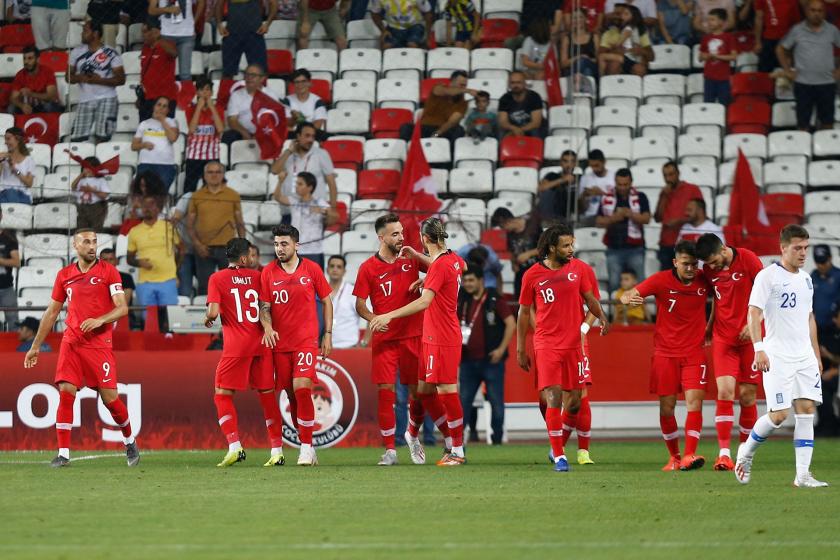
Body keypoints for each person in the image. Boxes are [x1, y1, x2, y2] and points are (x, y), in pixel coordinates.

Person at [23, 229, 138, 468]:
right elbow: (52, 312)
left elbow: (122, 308)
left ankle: (129, 440)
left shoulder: (109, 272)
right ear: (75, 246)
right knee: (66, 392)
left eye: (95, 241)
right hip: (72, 342)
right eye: (86, 242)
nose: (92, 246)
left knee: (110, 399)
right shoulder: (65, 275)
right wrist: (35, 346)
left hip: (99, 344)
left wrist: (100, 320)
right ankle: (63, 453)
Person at [354, 214, 454, 465]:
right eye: (395, 234)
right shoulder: (367, 267)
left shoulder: (410, 260)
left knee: (419, 393)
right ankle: (390, 450)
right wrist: (375, 318)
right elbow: (359, 304)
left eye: (402, 232)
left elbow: (444, 268)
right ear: (382, 237)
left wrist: (420, 263)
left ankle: (421, 438)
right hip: (385, 340)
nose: (401, 237)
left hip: (414, 336)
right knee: (385, 392)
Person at [736, 225, 829, 488]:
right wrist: (758, 348)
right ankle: (746, 453)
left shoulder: (806, 279)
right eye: (798, 248)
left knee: (806, 410)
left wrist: (816, 353)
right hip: (778, 356)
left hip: (804, 356)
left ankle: (802, 475)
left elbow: (809, 318)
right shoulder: (768, 276)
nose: (803, 254)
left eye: (806, 248)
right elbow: (753, 313)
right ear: (783, 248)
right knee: (778, 415)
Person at [517, 225, 610, 472]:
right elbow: (524, 312)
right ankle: (560, 456)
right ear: (552, 248)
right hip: (546, 343)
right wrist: (519, 348)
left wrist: (601, 317)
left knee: (576, 401)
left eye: (572, 244)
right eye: (566, 245)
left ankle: (557, 445)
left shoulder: (579, 269)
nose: (571, 250)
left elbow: (590, 299)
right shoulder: (532, 275)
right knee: (553, 396)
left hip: (574, 344)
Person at [620, 240, 710, 471]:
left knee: (694, 402)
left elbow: (725, 294)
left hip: (694, 352)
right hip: (665, 353)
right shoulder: (660, 280)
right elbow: (627, 296)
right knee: (666, 407)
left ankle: (690, 454)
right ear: (675, 262)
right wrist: (630, 298)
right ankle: (675, 457)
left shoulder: (704, 278)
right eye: (685, 264)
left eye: (694, 264)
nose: (690, 269)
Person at [204, 237, 286, 467]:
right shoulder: (259, 277)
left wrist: (208, 318)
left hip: (236, 347)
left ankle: (234, 446)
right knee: (267, 395)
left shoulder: (217, 278)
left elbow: (212, 312)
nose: (251, 259)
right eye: (250, 255)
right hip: (262, 343)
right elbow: (267, 306)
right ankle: (277, 451)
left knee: (222, 393)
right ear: (243, 258)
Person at [260, 224, 334, 466]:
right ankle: (309, 448)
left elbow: (327, 301)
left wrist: (328, 333)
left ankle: (305, 447)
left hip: (306, 341)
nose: (279, 248)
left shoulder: (311, 269)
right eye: (276, 244)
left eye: (284, 244)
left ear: (296, 245)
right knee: (292, 395)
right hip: (281, 345)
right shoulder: (268, 272)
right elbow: (264, 307)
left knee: (302, 388)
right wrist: (268, 327)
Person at [695, 233, 765, 470]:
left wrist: (755, 322)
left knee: (747, 396)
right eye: (708, 264)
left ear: (724, 248)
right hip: (724, 337)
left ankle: (745, 454)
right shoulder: (708, 269)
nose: (711, 267)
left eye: (714, 261)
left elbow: (768, 294)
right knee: (724, 392)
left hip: (750, 338)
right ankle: (724, 453)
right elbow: (717, 297)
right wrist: (709, 325)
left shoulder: (749, 259)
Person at [458, 266, 516, 445]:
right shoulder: (462, 299)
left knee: (496, 403)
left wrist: (501, 349)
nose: (468, 284)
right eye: (465, 281)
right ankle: (457, 444)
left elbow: (511, 324)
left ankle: (497, 440)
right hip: (467, 361)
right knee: (463, 404)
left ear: (481, 280)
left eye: (471, 280)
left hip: (491, 360)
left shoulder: (493, 298)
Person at [777, 1, 840, 131]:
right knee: (803, 124)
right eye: (813, 10)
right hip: (803, 84)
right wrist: (787, 71)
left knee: (827, 123)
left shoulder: (832, 30)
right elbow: (780, 49)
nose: (816, 14)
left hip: (827, 84)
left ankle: (826, 150)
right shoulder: (797, 30)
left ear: (824, 12)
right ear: (806, 11)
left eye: (820, 11)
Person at [186, 162, 247, 295]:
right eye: (210, 172)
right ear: (204, 176)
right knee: (205, 287)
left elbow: (240, 223)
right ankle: (207, 315)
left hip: (228, 249)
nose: (214, 175)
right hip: (203, 248)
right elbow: (189, 225)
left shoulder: (233, 195)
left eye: (217, 172)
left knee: (231, 286)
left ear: (223, 175)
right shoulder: (196, 196)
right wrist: (198, 245)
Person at [68, 20, 125, 144]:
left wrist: (99, 80)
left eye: (85, 31)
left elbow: (121, 80)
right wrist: (81, 78)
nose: (81, 34)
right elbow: (68, 77)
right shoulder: (76, 52)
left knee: (103, 138)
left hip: (107, 99)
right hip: (85, 100)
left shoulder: (111, 53)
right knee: (77, 139)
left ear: (96, 33)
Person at [596, 168, 651, 292]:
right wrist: (615, 218)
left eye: (625, 184)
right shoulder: (606, 198)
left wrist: (630, 214)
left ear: (631, 183)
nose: (622, 187)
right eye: (619, 184)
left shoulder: (640, 197)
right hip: (614, 249)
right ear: (615, 182)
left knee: (640, 284)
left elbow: (647, 219)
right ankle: (617, 312)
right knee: (615, 284)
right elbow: (599, 222)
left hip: (635, 249)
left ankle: (640, 311)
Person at [271, 171, 338, 268]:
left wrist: (324, 211)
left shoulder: (319, 202)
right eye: (296, 183)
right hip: (295, 250)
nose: (297, 186)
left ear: (309, 187)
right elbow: (277, 197)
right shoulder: (294, 200)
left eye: (300, 184)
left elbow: (335, 216)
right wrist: (280, 181)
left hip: (313, 251)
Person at [127, 196, 182, 309]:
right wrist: (140, 263)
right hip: (145, 282)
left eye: (151, 205)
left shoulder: (168, 227)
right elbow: (129, 259)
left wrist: (175, 269)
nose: (147, 208)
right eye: (144, 206)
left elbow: (182, 249)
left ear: (158, 209)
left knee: (167, 318)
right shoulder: (134, 231)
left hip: (168, 280)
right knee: (147, 320)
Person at [271, 122, 339, 209]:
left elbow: (332, 183)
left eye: (313, 136)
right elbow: (274, 171)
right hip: (289, 211)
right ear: (298, 136)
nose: (311, 140)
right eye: (307, 136)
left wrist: (333, 209)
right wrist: (288, 151)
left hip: (314, 212)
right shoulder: (288, 155)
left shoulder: (321, 154)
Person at [398, 71, 476, 143]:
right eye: (461, 85)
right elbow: (446, 92)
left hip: (442, 131)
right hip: (424, 127)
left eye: (465, 85)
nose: (463, 88)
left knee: (458, 130)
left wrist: (436, 134)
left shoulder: (463, 103)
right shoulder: (438, 88)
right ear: (452, 82)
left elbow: (451, 122)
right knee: (406, 127)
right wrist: (467, 91)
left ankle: (451, 156)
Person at [654, 161, 703, 270]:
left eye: (671, 174)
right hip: (666, 242)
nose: (668, 179)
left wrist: (678, 221)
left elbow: (699, 215)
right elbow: (657, 218)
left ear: (678, 173)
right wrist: (664, 197)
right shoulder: (664, 193)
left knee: (685, 278)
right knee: (667, 280)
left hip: (685, 242)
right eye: (665, 175)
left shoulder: (692, 189)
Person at [221, 64, 282, 144]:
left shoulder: (271, 95)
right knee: (229, 136)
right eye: (247, 74)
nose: (249, 78)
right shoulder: (236, 95)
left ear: (262, 78)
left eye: (253, 75)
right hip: (243, 132)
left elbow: (276, 119)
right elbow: (232, 120)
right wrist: (245, 133)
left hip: (265, 131)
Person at [184, 77, 225, 194]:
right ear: (197, 92)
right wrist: (199, 108)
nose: (205, 93)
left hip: (212, 156)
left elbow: (221, 129)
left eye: (208, 90)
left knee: (213, 189)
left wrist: (212, 107)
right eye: (202, 90)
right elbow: (192, 129)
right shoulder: (190, 109)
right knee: (189, 189)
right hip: (194, 156)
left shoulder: (218, 109)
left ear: (212, 92)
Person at [216, 0, 275, 80]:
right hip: (232, 33)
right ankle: (226, 92)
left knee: (260, 71)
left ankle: (261, 92)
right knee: (227, 72)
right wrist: (219, 24)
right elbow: (219, 4)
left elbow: (274, 3)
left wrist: (267, 24)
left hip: (255, 33)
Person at [491, 207, 542, 297]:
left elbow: (547, 247)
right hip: (521, 274)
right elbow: (512, 251)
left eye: (503, 226)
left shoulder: (533, 226)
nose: (504, 229)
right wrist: (513, 263)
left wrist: (528, 254)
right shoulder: (509, 234)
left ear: (508, 221)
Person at [132, 97, 180, 190]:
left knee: (160, 195)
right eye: (159, 105)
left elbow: (173, 138)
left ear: (168, 110)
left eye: (164, 106)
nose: (161, 108)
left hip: (165, 165)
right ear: (154, 107)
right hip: (145, 164)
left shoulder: (172, 122)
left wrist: (162, 121)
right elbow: (133, 146)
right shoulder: (144, 124)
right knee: (144, 194)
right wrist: (143, 145)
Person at [149, 0, 202, 81]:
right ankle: (165, 93)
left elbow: (202, 2)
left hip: (186, 35)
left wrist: (193, 22)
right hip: (166, 35)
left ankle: (186, 93)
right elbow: (151, 10)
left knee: (185, 74)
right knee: (165, 72)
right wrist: (167, 9)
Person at [138, 18, 178, 123]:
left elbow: (174, 53)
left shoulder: (167, 44)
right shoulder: (145, 48)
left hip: (165, 98)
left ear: (155, 31)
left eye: (145, 32)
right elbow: (144, 72)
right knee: (146, 131)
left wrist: (159, 39)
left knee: (164, 132)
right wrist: (139, 98)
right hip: (147, 98)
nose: (143, 35)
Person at [599, 3, 655, 76]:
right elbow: (600, 53)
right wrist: (615, 50)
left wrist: (642, 51)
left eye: (620, 14)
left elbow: (652, 56)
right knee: (614, 64)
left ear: (632, 17)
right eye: (615, 14)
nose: (618, 17)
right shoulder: (608, 34)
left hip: (634, 61)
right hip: (619, 63)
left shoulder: (640, 32)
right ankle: (604, 83)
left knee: (639, 68)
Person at [10, 46, 63, 114]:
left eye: (30, 58)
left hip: (44, 105)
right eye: (24, 58)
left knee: (49, 106)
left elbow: (51, 96)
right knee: (11, 108)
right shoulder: (20, 74)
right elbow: (13, 98)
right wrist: (22, 106)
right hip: (29, 106)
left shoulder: (47, 72)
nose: (26, 62)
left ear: (38, 59)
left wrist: (31, 94)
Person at [699, 9, 737, 105]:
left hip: (723, 78)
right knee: (708, 104)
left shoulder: (729, 37)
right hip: (709, 77)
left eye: (712, 20)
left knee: (725, 104)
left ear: (722, 22)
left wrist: (717, 56)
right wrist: (706, 56)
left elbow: (733, 56)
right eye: (708, 20)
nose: (709, 22)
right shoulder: (706, 38)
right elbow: (700, 57)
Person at [753, 0, 801, 72]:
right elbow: (759, 18)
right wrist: (758, 42)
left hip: (786, 41)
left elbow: (796, 22)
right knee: (765, 73)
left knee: (784, 72)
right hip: (769, 40)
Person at [283, 69, 329, 140]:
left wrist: (301, 122)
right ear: (293, 84)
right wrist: (294, 118)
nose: (300, 85)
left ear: (309, 83)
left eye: (303, 81)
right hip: (293, 134)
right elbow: (287, 125)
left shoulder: (317, 101)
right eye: (297, 82)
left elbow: (317, 125)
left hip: (310, 134)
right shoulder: (287, 101)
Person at [498, 71, 546, 138]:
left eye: (518, 82)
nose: (516, 86)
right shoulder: (504, 99)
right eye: (513, 83)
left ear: (525, 83)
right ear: (509, 84)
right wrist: (514, 129)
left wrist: (519, 130)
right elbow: (503, 122)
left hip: (531, 128)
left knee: (535, 131)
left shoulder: (534, 97)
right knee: (501, 132)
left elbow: (536, 123)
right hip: (513, 127)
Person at [326, 255, 360, 349]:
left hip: (349, 347)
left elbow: (371, 317)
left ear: (344, 271)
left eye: (339, 267)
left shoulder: (353, 291)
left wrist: (364, 342)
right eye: (332, 266)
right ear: (327, 269)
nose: (335, 269)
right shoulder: (320, 291)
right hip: (326, 347)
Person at [538, 149, 578, 225]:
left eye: (572, 161)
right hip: (552, 212)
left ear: (575, 163)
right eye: (565, 161)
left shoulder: (579, 178)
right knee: (548, 193)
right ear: (560, 162)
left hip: (571, 213)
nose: (569, 165)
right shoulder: (552, 175)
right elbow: (541, 188)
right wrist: (562, 180)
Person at [560, 8, 600, 84]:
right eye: (574, 18)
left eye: (580, 17)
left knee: (585, 65)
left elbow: (598, 60)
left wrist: (586, 59)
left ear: (585, 19)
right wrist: (579, 57)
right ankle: (587, 93)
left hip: (591, 66)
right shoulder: (567, 39)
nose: (578, 20)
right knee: (586, 71)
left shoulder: (594, 37)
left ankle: (578, 89)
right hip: (572, 71)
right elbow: (563, 63)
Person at [817, 307, 840, 435]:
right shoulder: (830, 335)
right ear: (835, 319)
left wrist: (835, 371)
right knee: (820, 386)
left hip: (836, 374)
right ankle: (827, 424)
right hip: (831, 375)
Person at [70, 157, 110, 229]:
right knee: (82, 228)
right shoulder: (81, 180)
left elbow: (105, 195)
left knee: (95, 229)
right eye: (85, 168)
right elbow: (73, 186)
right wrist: (81, 175)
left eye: (90, 168)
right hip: (82, 207)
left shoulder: (101, 180)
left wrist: (92, 190)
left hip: (96, 208)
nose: (88, 170)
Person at [577, 149, 614, 225]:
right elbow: (581, 209)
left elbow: (620, 200)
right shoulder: (585, 178)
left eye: (597, 165)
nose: (594, 169)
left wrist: (602, 194)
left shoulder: (614, 176)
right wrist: (584, 195)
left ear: (604, 162)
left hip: (609, 215)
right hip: (590, 216)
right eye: (592, 166)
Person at [0, 127, 36, 204]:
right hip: (3, 193)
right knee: (11, 192)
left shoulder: (29, 160)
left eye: (8, 139)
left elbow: (29, 184)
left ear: (18, 140)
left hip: (22, 195)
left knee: (12, 193)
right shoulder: (2, 156)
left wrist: (16, 171)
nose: (5, 142)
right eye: (5, 139)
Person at [811, 244, 840, 330]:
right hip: (817, 328)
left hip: (834, 328)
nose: (820, 266)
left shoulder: (838, 275)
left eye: (823, 262)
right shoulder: (813, 275)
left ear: (830, 258)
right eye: (818, 262)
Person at [0, 214, 21, 330]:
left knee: (14, 325)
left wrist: (1, 261)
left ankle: (14, 349)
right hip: (7, 288)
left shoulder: (9, 237)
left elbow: (16, 262)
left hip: (7, 288)